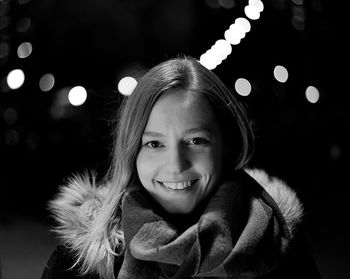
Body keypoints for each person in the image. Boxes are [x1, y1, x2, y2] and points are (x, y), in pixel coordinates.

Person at [41, 56, 321, 279]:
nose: (175, 164)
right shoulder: (81, 262)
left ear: (226, 145)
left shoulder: (277, 247)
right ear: (131, 152)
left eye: (196, 140)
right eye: (154, 144)